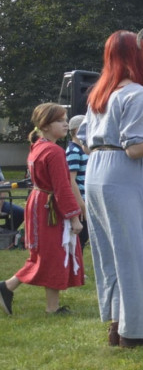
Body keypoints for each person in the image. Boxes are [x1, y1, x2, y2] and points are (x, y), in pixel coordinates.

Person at [81, 30, 143, 348]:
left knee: (111, 250)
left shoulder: (99, 94)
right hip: (122, 172)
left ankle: (118, 324)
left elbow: (83, 138)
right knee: (134, 249)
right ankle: (136, 331)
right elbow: (135, 148)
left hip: (96, 171)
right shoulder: (137, 94)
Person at [0, 104, 84, 316]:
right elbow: (62, 187)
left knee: (48, 254)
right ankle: (10, 288)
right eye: (60, 120)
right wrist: (74, 217)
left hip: (39, 202)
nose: (66, 124)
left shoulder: (38, 146)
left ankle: (45, 304)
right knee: (52, 254)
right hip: (49, 207)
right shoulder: (54, 151)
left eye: (65, 119)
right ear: (45, 126)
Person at [65, 114, 89, 248]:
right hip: (81, 201)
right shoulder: (73, 151)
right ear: (77, 130)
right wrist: (81, 204)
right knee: (80, 239)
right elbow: (70, 180)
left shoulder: (83, 149)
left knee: (85, 237)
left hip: (87, 199)